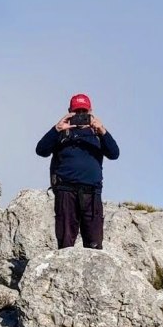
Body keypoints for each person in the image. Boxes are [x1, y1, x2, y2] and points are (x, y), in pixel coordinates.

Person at [35, 93, 120, 249]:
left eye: (84, 111)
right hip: (66, 192)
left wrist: (102, 130)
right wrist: (56, 129)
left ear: (90, 111)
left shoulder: (97, 134)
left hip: (92, 194)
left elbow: (114, 154)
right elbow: (41, 150)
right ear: (70, 111)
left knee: (94, 244)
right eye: (77, 112)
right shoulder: (61, 133)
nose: (81, 115)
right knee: (65, 243)